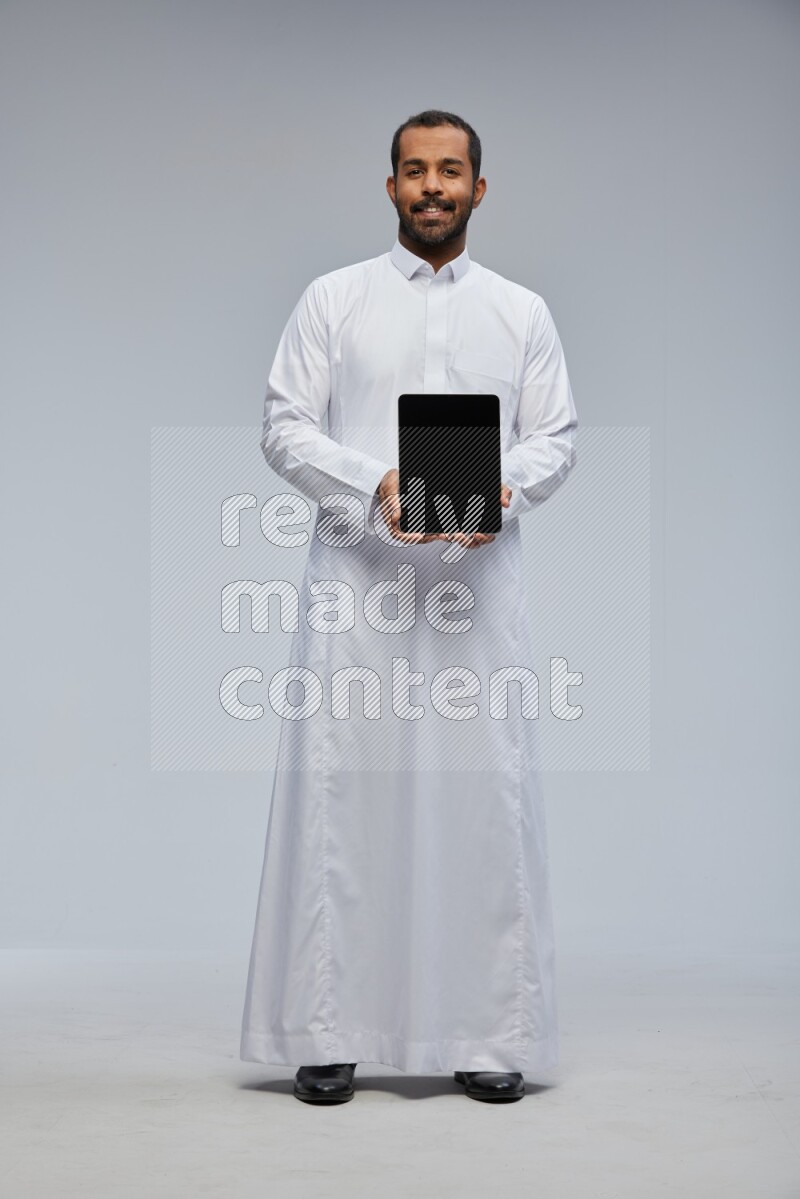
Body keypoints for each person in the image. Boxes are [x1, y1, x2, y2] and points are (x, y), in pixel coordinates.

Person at [240, 109, 578, 1105]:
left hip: (477, 591)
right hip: (358, 587)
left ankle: (486, 1030)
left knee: (484, 799)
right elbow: (282, 426)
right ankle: (329, 1025)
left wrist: (506, 491)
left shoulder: (521, 313)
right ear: (388, 186)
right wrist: (371, 482)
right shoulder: (332, 301)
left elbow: (554, 436)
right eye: (413, 170)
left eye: (451, 170)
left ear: (480, 187)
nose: (432, 186)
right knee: (344, 794)